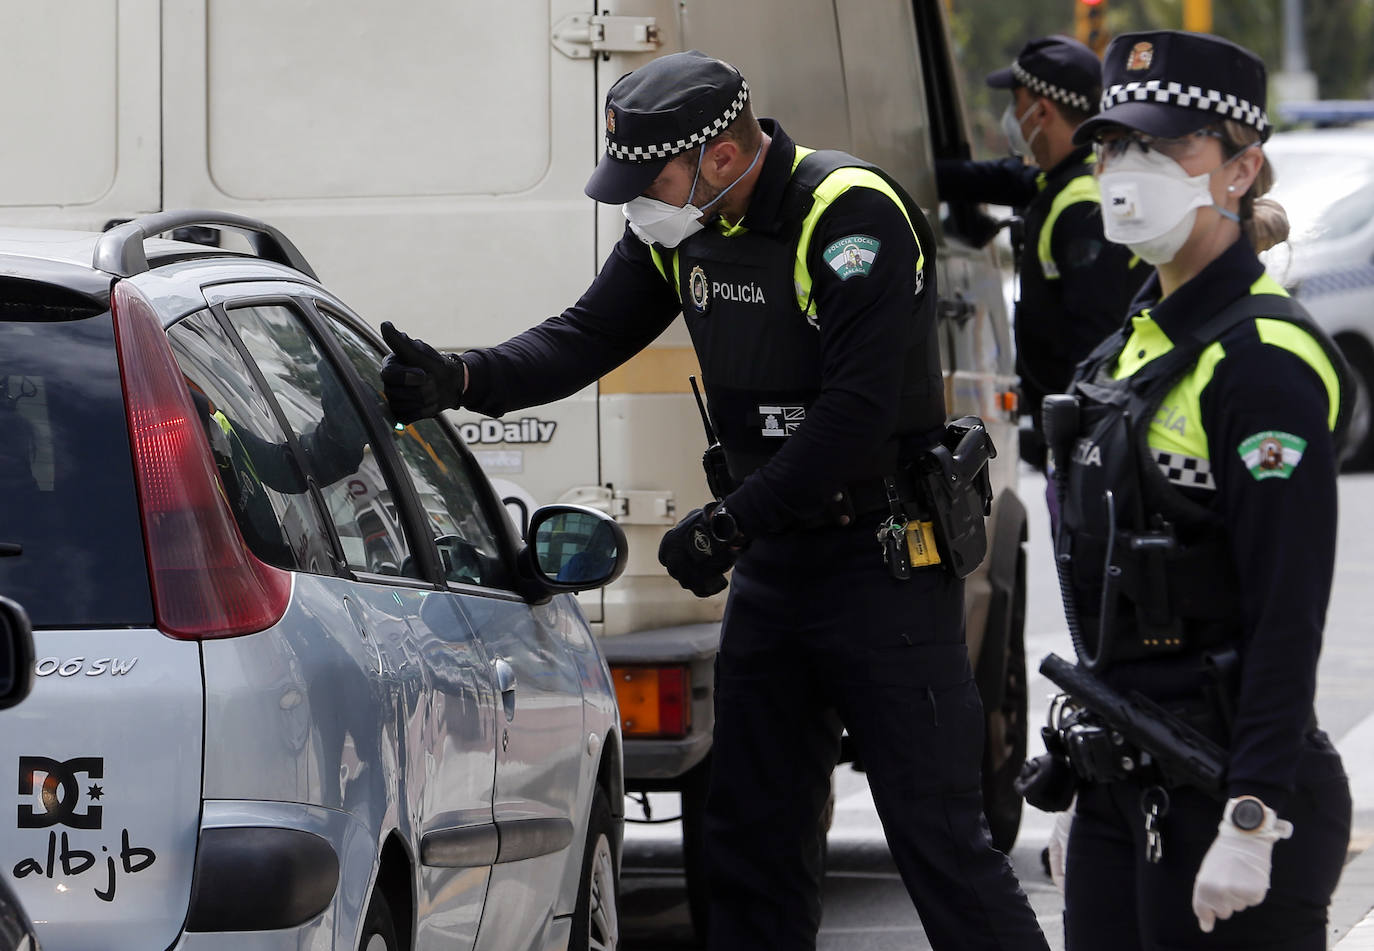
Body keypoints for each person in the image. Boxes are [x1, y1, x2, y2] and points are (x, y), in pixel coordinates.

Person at [379, 49, 1047, 951]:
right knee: (750, 847)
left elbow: (855, 415)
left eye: (647, 177)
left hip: (881, 564)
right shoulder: (682, 221)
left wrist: (735, 520)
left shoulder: (849, 215)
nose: (633, 201)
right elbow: (586, 335)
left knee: (939, 842)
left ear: (721, 159)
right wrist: (461, 376)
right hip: (777, 569)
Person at [1037, 30, 1353, 950]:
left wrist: (1253, 814)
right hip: (1123, 777)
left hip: (1231, 784)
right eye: (1112, 143)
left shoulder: (1261, 366)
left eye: (1168, 144)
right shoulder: (1134, 339)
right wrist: (1084, 778)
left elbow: (1285, 612)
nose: (1128, 169)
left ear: (1240, 168)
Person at [937, 35, 1147, 467]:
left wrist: (1069, 435)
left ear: (1041, 111)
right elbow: (984, 177)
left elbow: (1095, 346)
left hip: (1091, 442)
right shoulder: (1057, 179)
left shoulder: (1083, 209)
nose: (1012, 118)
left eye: (1016, 103)